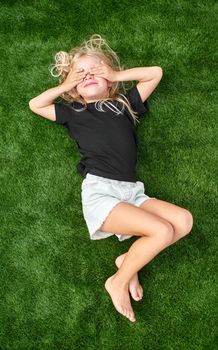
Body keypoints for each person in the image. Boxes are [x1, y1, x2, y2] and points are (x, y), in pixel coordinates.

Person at [29, 33, 193, 323]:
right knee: (162, 231)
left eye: (95, 71)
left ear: (108, 80)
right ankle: (117, 281)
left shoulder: (124, 104)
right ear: (74, 88)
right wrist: (67, 83)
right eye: (82, 75)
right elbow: (36, 104)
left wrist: (117, 74)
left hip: (132, 192)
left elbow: (155, 74)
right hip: (101, 193)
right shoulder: (74, 111)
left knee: (182, 221)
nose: (88, 76)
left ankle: (125, 263)